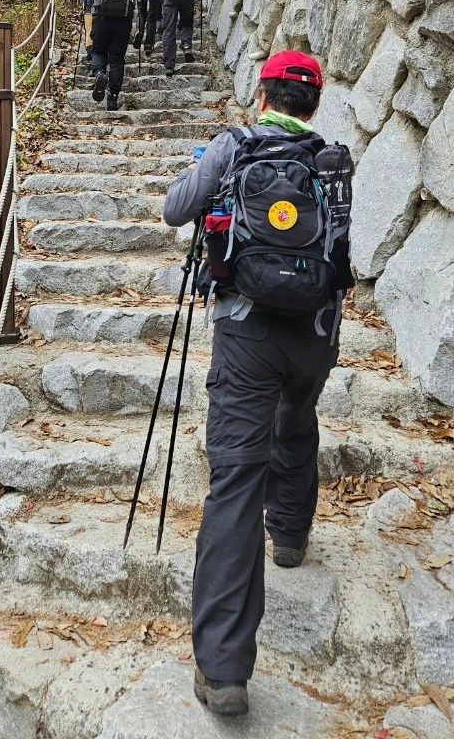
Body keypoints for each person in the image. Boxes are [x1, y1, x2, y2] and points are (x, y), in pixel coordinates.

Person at [162, 51, 354, 717]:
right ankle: (291, 537)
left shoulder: (233, 145)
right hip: (316, 331)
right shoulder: (333, 160)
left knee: (237, 479)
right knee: (296, 421)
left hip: (246, 332)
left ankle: (223, 671)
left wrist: (198, 173)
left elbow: (175, 209)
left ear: (263, 94)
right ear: (314, 104)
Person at [80, 0, 156, 109]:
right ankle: (113, 97)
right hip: (123, 20)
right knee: (117, 59)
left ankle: (99, 73)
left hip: (101, 19)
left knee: (98, 51)